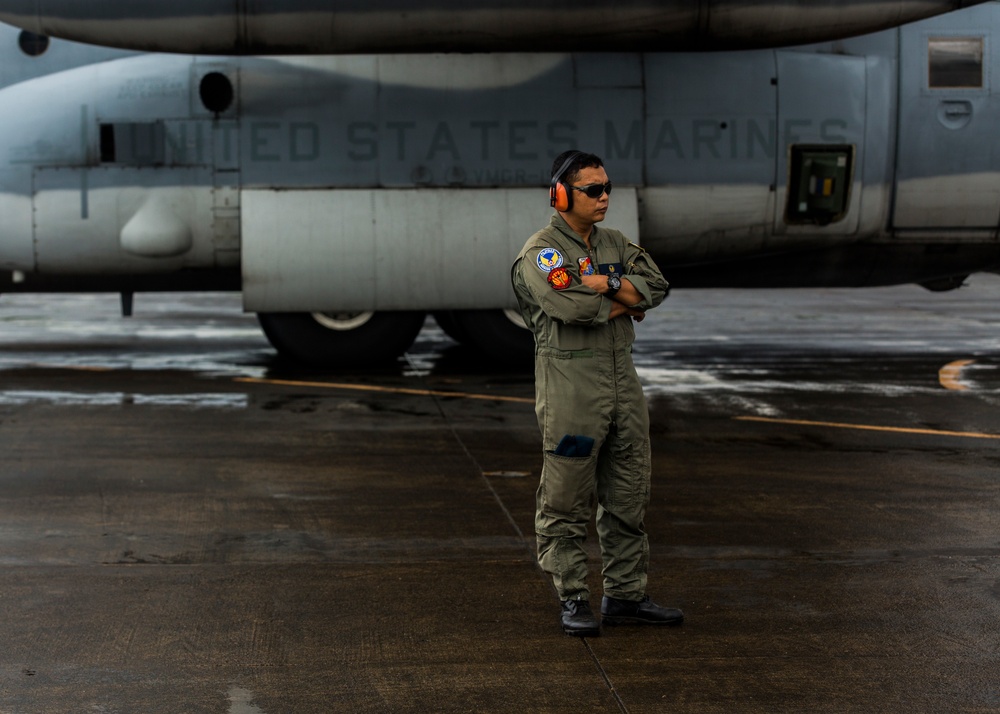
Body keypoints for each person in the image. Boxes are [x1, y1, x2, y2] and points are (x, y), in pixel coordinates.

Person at [510, 150, 683, 637]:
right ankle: (573, 597)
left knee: (628, 494)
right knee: (566, 498)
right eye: (592, 189)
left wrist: (606, 282)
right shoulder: (543, 252)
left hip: (622, 386)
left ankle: (626, 595)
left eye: (607, 187)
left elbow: (655, 285)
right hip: (571, 391)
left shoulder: (613, 242)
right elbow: (568, 306)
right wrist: (624, 303)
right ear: (562, 195)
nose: (604, 196)